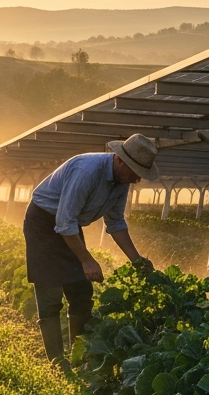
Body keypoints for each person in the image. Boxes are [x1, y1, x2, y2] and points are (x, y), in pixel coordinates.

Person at [24, 132, 158, 362]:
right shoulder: (87, 171)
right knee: (50, 295)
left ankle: (80, 358)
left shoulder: (122, 181)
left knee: (81, 294)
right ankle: (57, 361)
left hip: (69, 226)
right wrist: (86, 260)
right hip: (44, 222)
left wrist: (137, 260)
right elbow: (63, 222)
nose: (136, 179)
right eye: (134, 172)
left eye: (140, 175)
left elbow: (115, 222)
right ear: (119, 159)